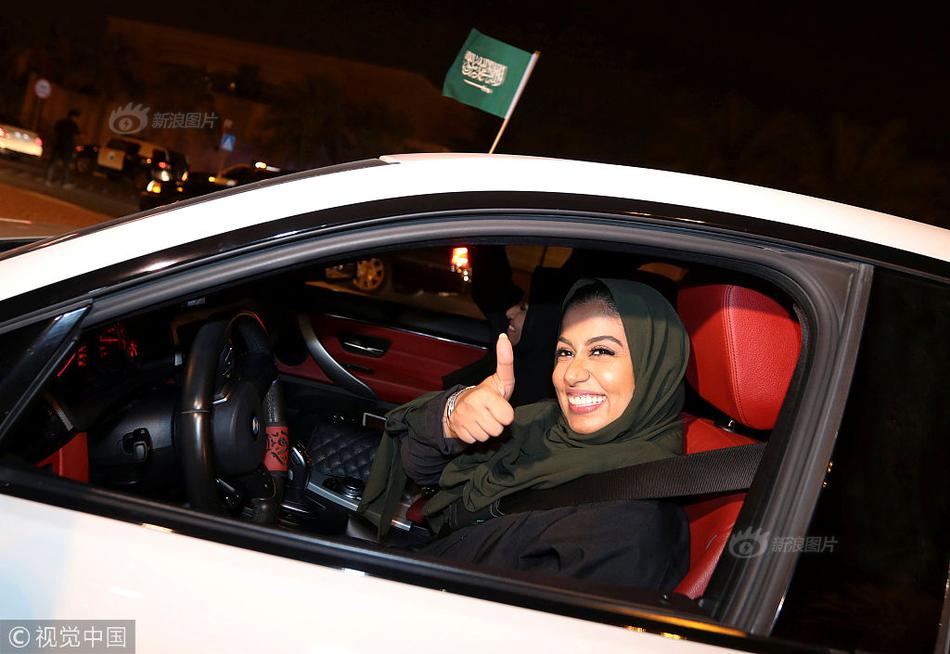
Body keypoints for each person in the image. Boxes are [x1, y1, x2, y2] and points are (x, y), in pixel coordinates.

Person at [359, 278, 691, 591]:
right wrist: (451, 416)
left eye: (601, 351)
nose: (571, 374)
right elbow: (425, 470)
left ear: (656, 367)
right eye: (565, 352)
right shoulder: (544, 425)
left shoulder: (630, 529)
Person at [45, 109, 81, 187]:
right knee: (66, 165)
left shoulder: (60, 122)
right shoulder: (73, 125)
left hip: (58, 145)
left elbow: (53, 131)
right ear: (74, 117)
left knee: (53, 163)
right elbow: (76, 136)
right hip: (67, 147)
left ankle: (48, 180)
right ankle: (65, 182)